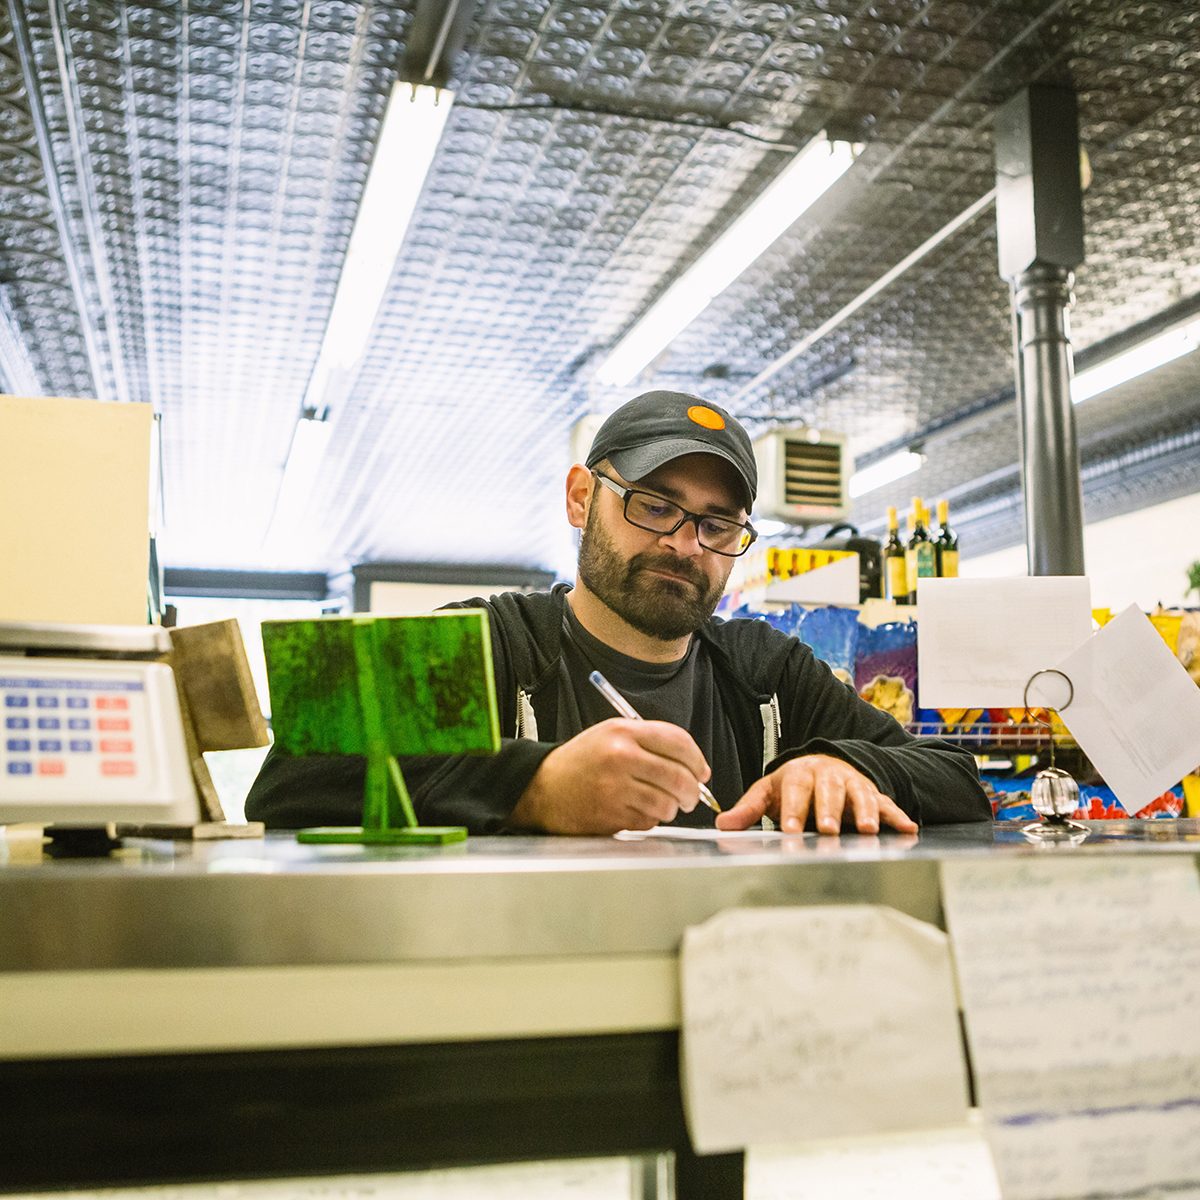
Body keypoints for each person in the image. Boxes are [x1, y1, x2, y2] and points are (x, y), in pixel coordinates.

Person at [246, 390, 990, 835]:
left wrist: (845, 764)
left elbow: (961, 778)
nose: (684, 545)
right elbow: (289, 780)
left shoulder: (764, 669)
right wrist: (531, 789)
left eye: (716, 525)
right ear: (581, 498)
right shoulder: (482, 639)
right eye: (653, 505)